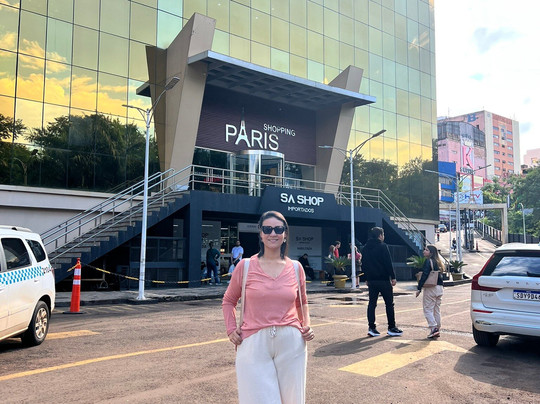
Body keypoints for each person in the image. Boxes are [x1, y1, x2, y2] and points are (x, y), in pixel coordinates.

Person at [222, 211, 313, 404]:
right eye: (267, 229)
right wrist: (230, 329)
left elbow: (302, 302)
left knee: (293, 399)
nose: (273, 233)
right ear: (261, 234)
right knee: (258, 399)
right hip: (253, 342)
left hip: (291, 342)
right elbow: (229, 300)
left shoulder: (296, 267)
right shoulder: (245, 266)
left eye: (278, 229)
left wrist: (306, 325)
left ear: (285, 234)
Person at [361, 227, 403, 337]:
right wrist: (393, 277)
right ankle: (391, 327)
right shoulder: (383, 246)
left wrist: (366, 278)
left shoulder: (365, 248)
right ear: (380, 235)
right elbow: (388, 263)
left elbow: (364, 264)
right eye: (383, 234)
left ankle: (372, 327)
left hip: (372, 280)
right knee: (389, 304)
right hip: (383, 279)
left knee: (372, 304)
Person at [415, 245, 444, 338]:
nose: (424, 251)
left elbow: (425, 275)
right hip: (440, 288)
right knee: (436, 309)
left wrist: (419, 288)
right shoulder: (439, 262)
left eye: (426, 250)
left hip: (431, 288)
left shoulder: (428, 261)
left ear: (431, 253)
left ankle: (433, 328)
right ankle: (437, 328)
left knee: (427, 309)